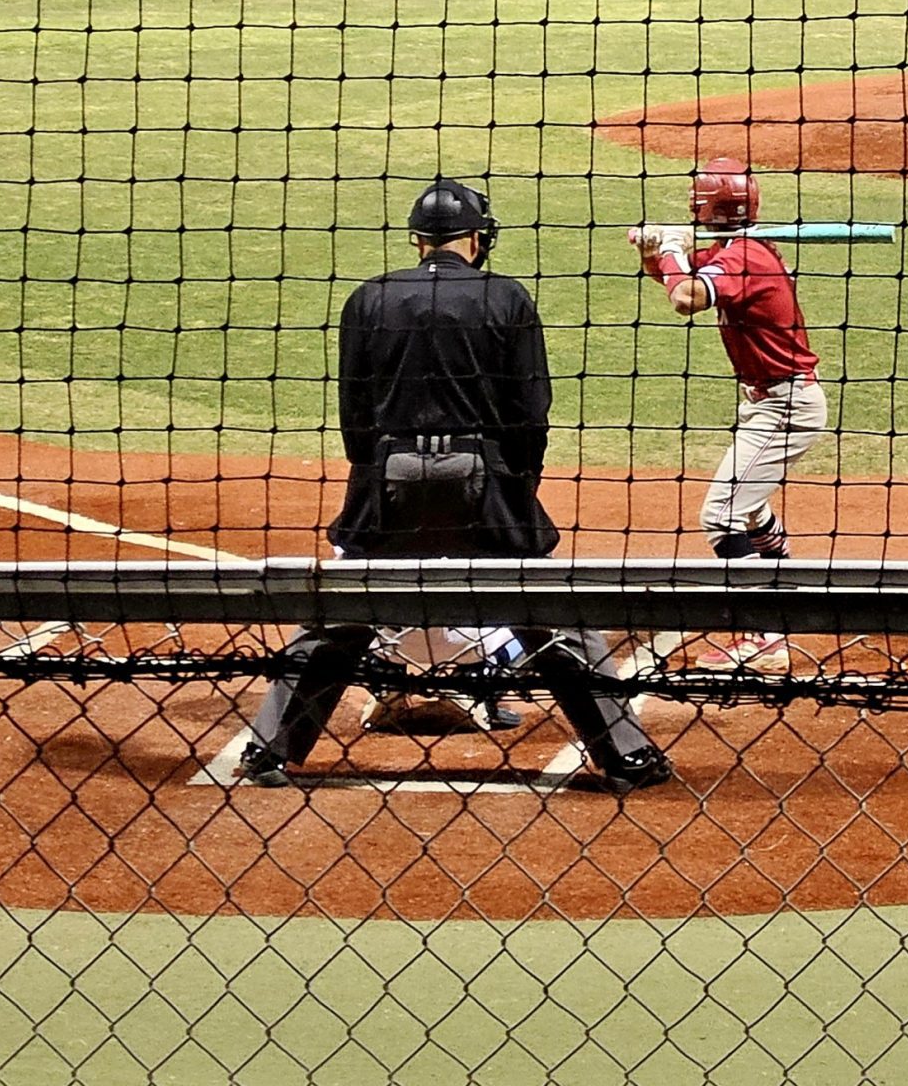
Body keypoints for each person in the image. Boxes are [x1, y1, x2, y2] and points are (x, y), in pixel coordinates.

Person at [237, 179, 671, 792]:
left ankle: (268, 752)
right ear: (476, 236)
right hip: (485, 479)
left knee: (338, 612)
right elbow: (530, 411)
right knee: (550, 610)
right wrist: (515, 491)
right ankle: (625, 755)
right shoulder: (506, 299)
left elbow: (355, 414)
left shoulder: (369, 299)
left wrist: (374, 481)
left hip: (387, 480)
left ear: (417, 239)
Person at [630, 158, 827, 673]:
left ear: (711, 205)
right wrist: (657, 256)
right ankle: (786, 596)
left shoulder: (747, 259)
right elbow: (678, 277)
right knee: (751, 506)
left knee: (720, 515)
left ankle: (764, 636)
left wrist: (671, 253)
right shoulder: (736, 252)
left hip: (786, 407)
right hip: (771, 401)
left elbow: (686, 297)